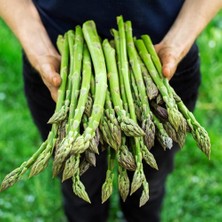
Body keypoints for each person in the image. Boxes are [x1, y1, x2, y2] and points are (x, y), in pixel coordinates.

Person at [0, 1, 221, 221]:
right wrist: (38, 48)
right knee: (80, 188)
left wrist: (178, 43)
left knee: (149, 183)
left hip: (159, 69)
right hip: (63, 73)